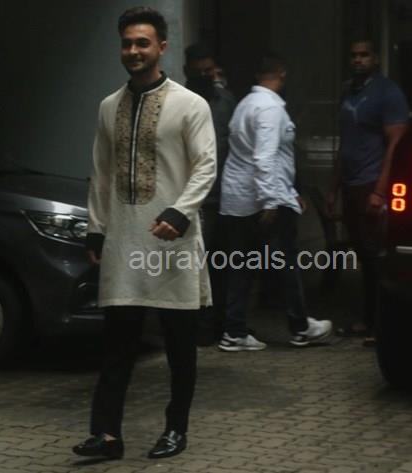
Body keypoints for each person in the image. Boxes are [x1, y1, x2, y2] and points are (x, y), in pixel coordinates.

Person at [72, 7, 216, 460]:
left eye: (143, 43)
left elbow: (206, 165)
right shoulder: (108, 106)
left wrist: (180, 212)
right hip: (124, 240)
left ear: (162, 48)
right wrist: (96, 229)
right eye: (127, 43)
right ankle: (107, 436)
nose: (133, 51)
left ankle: (176, 429)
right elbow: (100, 173)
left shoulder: (190, 105)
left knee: (179, 346)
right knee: (117, 345)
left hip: (173, 242)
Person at [218, 53, 333, 351]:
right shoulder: (270, 108)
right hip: (260, 200)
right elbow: (264, 157)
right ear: (281, 74)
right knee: (286, 262)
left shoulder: (245, 104)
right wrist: (272, 200)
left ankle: (234, 332)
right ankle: (300, 328)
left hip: (238, 198)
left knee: (241, 264)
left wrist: (288, 193)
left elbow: (264, 157)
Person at [326, 38, 410, 347]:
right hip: (350, 184)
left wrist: (380, 191)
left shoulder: (388, 93)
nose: (358, 60)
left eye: (364, 55)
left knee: (378, 258)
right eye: (354, 55)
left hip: (371, 183)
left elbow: (395, 146)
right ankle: (366, 320)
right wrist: (333, 188)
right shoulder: (349, 91)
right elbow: (345, 143)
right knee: (363, 255)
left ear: (375, 58)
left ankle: (381, 325)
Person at [183, 43, 236, 346]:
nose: (205, 75)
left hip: (222, 197)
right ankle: (196, 327)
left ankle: (218, 324)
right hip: (189, 199)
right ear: (187, 71)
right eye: (198, 71)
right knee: (190, 267)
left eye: (208, 70)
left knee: (221, 264)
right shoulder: (178, 101)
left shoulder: (225, 102)